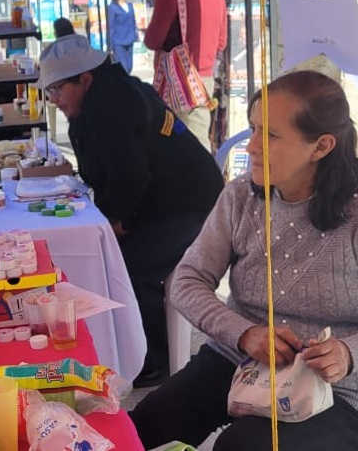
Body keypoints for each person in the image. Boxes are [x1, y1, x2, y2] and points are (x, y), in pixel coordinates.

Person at [130, 70, 358, 451]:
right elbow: (187, 280)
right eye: (253, 129)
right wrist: (243, 333)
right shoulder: (240, 197)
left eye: (270, 135)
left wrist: (349, 354)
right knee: (144, 426)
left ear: (321, 146)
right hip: (243, 361)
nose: (251, 146)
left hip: (346, 387)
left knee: (242, 446)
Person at [39, 34, 224, 387]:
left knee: (130, 266)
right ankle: (124, 345)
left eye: (58, 89)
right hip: (159, 202)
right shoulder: (99, 97)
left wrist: (116, 216)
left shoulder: (112, 103)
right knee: (115, 257)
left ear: (86, 79)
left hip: (190, 205)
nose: (54, 99)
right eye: (50, 91)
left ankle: (156, 359)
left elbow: (130, 174)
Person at [144, 0, 227, 152]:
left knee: (180, 144)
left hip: (179, 81)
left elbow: (153, 40)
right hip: (205, 78)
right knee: (198, 137)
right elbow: (222, 42)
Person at [108, 0, 138, 73]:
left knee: (129, 66)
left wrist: (136, 34)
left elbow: (133, 20)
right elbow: (111, 27)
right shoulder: (112, 8)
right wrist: (110, 47)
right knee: (124, 67)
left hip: (130, 39)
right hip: (118, 42)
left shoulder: (129, 4)